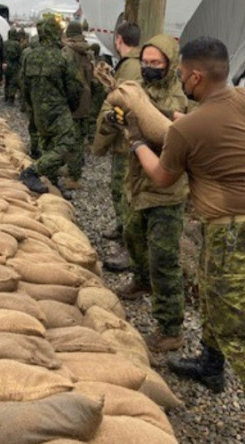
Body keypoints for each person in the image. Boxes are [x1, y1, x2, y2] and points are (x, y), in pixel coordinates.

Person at [112, 36, 245, 444]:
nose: (176, 79)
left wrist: (136, 139)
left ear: (193, 76)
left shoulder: (191, 131)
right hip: (242, 224)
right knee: (212, 300)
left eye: (180, 74)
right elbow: (194, 122)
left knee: (242, 328)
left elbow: (161, 172)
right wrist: (168, 121)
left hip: (236, 231)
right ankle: (212, 365)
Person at [106, 34, 190, 352]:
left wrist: (138, 117)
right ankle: (141, 280)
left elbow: (168, 129)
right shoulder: (140, 86)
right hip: (139, 181)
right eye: (145, 62)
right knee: (132, 236)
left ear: (169, 64)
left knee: (164, 258)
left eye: (156, 63)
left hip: (166, 190)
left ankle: (170, 328)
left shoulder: (179, 96)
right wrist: (119, 120)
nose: (149, 67)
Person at [92, 20, 142, 269]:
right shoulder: (130, 65)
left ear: (119, 39)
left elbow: (122, 102)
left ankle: (129, 248)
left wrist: (103, 136)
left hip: (127, 140)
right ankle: (122, 229)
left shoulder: (130, 67)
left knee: (124, 192)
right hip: (126, 138)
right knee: (118, 189)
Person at [18, 17, 83, 198]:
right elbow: (74, 89)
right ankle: (32, 172)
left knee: (48, 145)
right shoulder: (62, 58)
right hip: (58, 109)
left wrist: (32, 107)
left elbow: (23, 85)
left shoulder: (29, 56)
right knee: (67, 144)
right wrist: (71, 108)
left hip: (39, 111)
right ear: (56, 33)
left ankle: (52, 185)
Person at [60, 20, 94, 188]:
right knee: (79, 137)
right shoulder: (89, 52)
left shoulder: (67, 52)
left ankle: (73, 176)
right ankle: (74, 169)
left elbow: (64, 78)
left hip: (71, 101)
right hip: (85, 100)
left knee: (71, 139)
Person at [3, 28, 23, 104]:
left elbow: (1, 53)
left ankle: (6, 96)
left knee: (7, 81)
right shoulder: (17, 44)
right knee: (13, 82)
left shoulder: (4, 43)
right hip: (14, 65)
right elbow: (20, 55)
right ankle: (11, 98)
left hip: (5, 64)